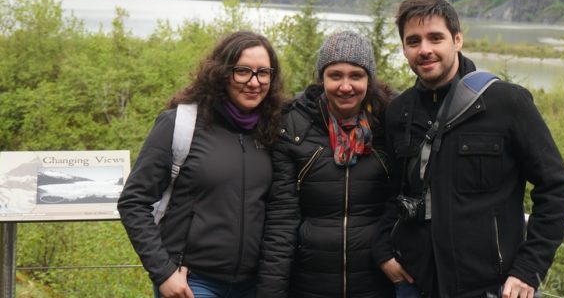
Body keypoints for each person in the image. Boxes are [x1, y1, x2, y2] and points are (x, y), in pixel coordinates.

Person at [377, 0, 564, 298]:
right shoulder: (398, 112)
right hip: (414, 281)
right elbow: (390, 193)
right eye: (413, 41)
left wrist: (528, 270)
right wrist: (383, 252)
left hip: (488, 286)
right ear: (403, 48)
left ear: (457, 40)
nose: (425, 49)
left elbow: (555, 187)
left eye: (435, 38)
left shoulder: (507, 103)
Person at [118, 31, 285, 298]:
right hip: (193, 282)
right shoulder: (180, 124)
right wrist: (163, 273)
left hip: (253, 284)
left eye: (263, 73)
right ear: (221, 73)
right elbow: (133, 202)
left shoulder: (272, 131)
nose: (254, 82)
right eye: (243, 71)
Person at [257, 30, 396, 298]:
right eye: (335, 76)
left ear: (369, 79)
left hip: (377, 285)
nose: (346, 86)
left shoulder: (390, 127)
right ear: (322, 78)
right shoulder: (293, 128)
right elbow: (281, 222)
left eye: (356, 75)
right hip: (309, 285)